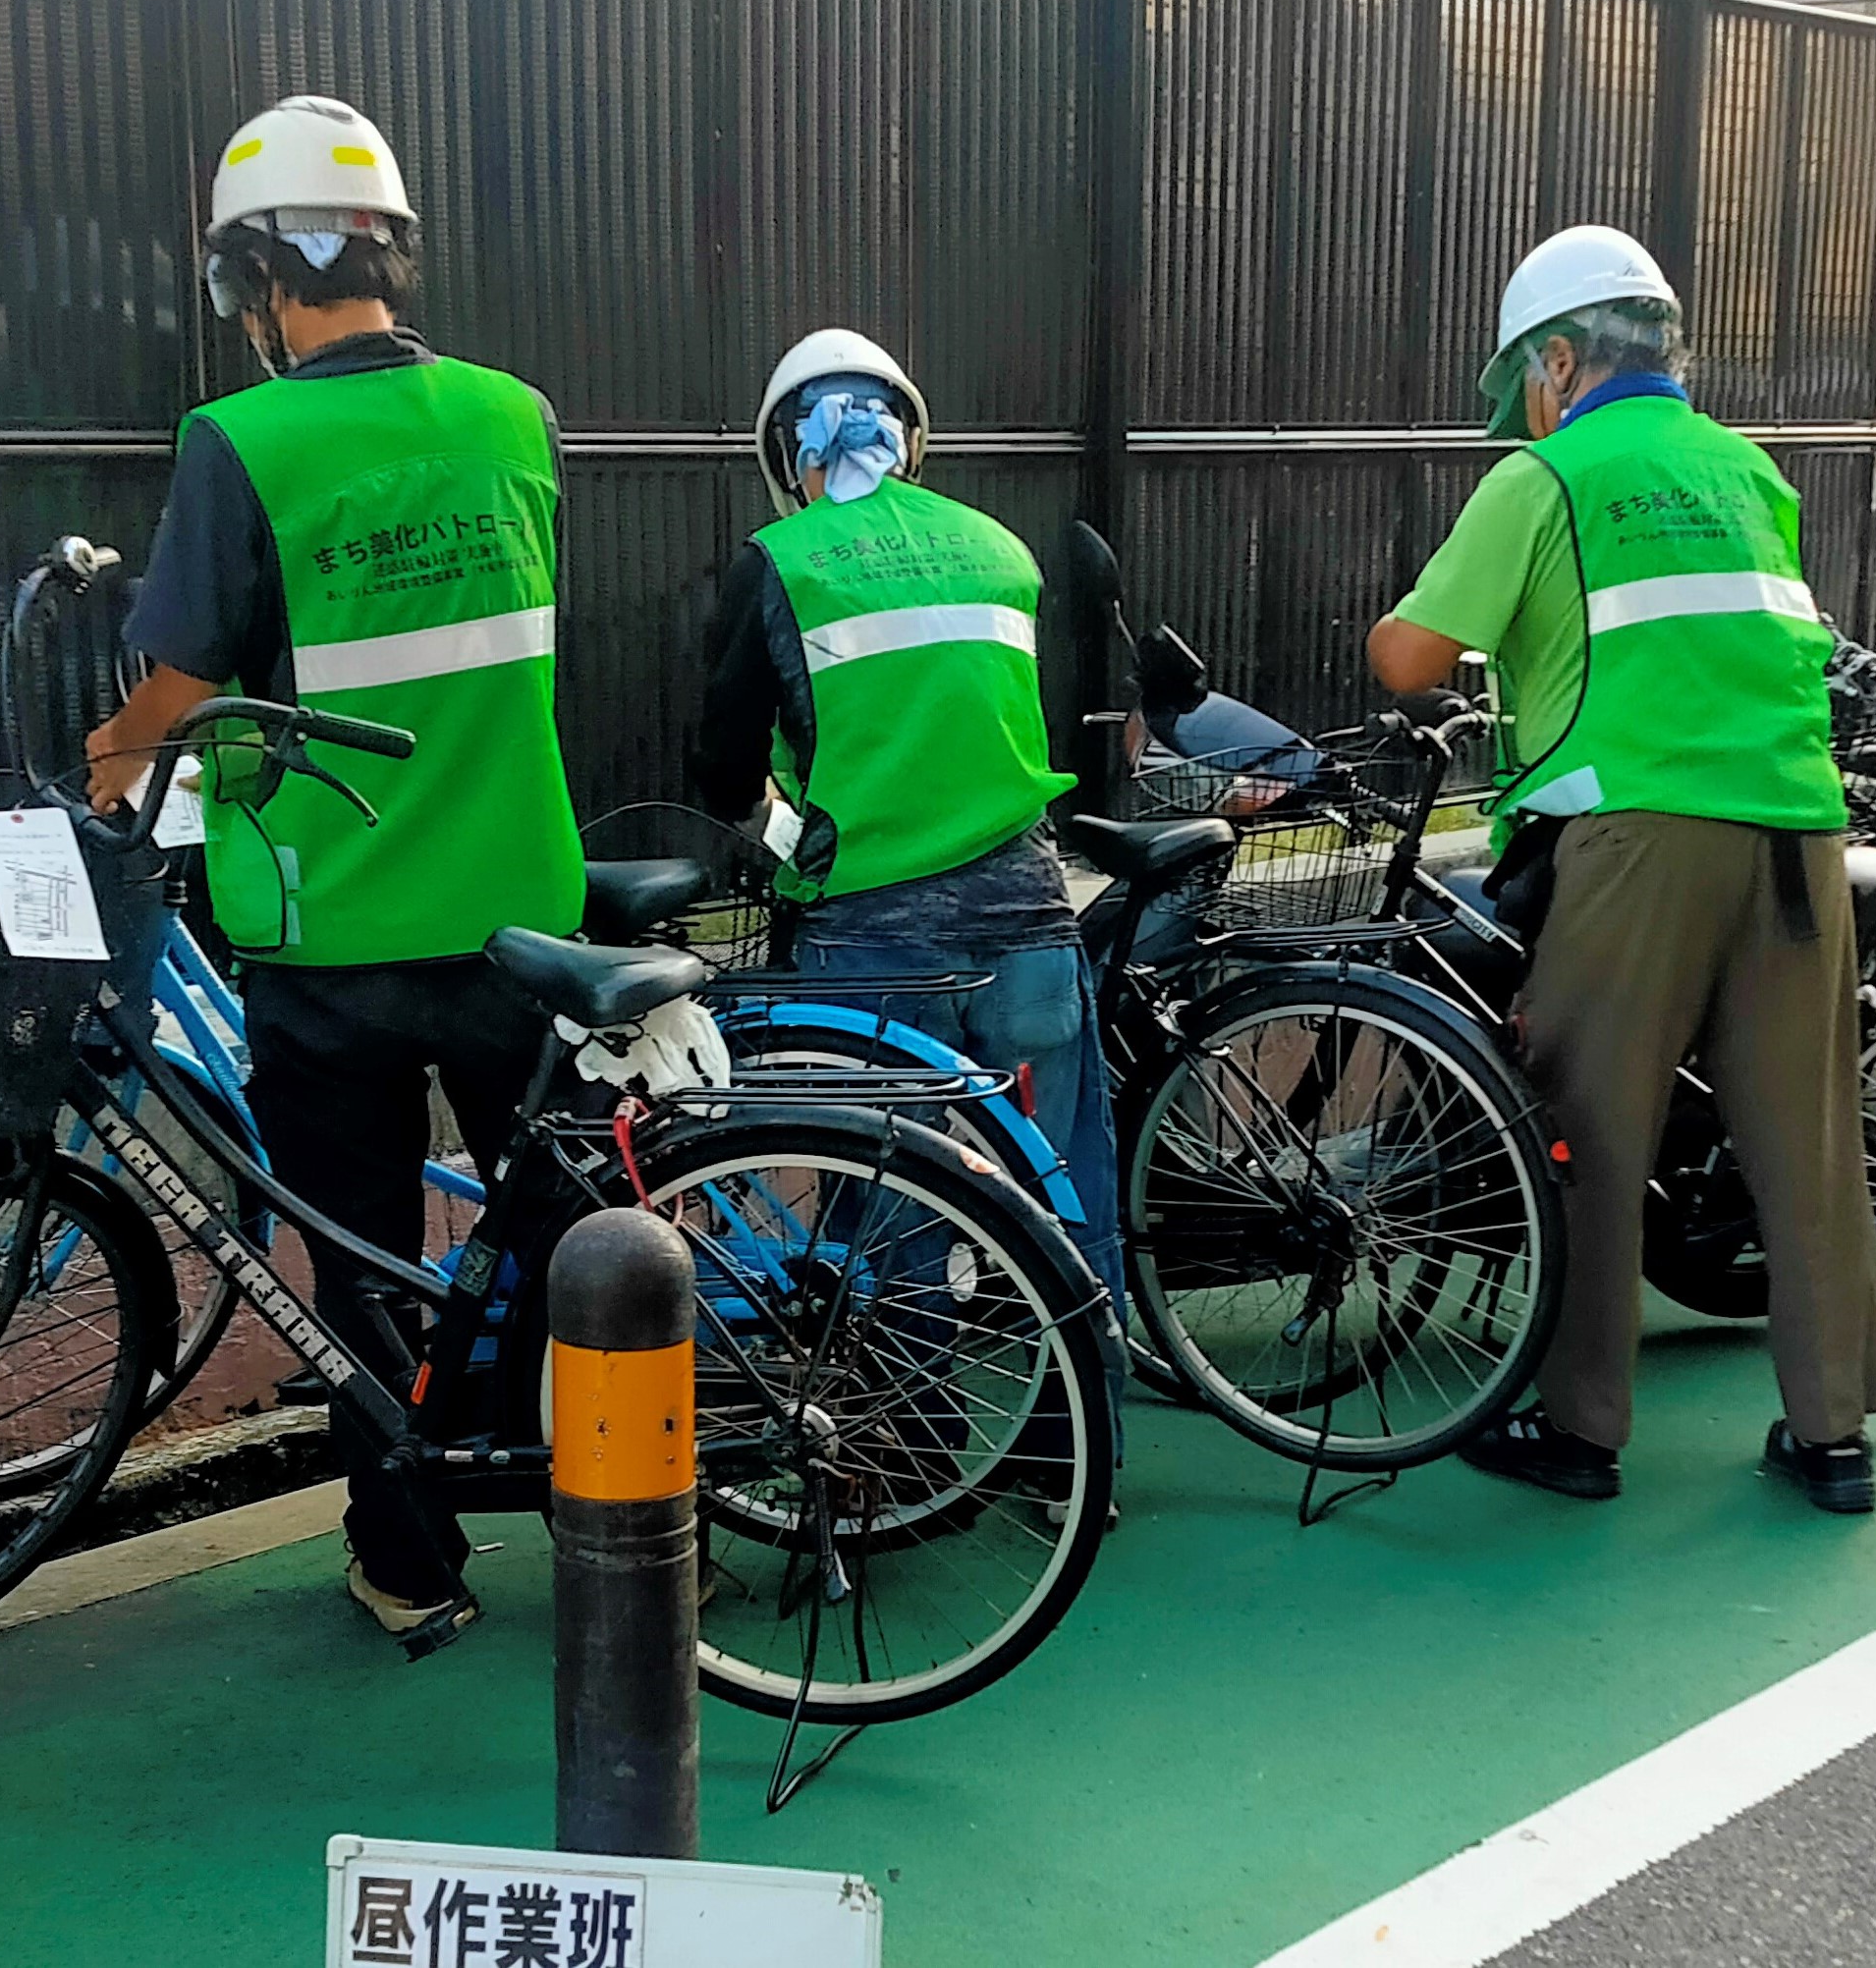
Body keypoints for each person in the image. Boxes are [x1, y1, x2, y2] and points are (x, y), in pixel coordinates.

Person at [83, 95, 582, 1649]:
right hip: (519, 910)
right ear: (389, 254)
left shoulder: (239, 442)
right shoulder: (516, 415)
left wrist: (106, 758)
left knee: (357, 1258)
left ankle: (409, 1559)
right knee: (560, 1231)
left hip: (332, 929)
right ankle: (612, 1495)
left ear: (254, 285)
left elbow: (180, 681)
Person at [1365, 224, 1876, 1514]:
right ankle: (1832, 1438)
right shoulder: (1745, 469)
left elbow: (1409, 661)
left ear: (1557, 358)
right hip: (1793, 829)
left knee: (1589, 1136)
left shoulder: (1542, 477)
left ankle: (1582, 1429)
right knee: (1805, 1143)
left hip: (1630, 839)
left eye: (1528, 374)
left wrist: (1395, 621)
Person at [690, 328, 1128, 1449]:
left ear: (791, 449)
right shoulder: (999, 549)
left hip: (869, 933)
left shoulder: (779, 563)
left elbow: (720, 771)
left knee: (888, 1204)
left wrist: (785, 832)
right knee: (1062, 1184)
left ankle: (906, 1446)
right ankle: (1081, 1450)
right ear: (908, 433)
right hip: (1028, 905)